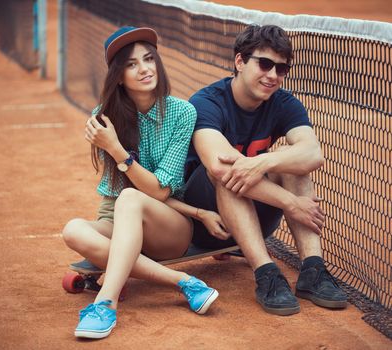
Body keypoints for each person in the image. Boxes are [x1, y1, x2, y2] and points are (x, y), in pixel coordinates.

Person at [62, 26, 227, 339]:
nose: (145, 69)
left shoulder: (182, 113)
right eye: (132, 64)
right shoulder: (104, 117)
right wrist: (110, 143)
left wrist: (116, 149)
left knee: (130, 198)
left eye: (149, 59)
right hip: (122, 218)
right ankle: (184, 283)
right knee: (73, 230)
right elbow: (115, 197)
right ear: (118, 75)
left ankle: (105, 303)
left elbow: (158, 191)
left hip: (168, 225)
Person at [184, 24, 347, 316]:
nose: (273, 75)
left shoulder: (284, 104)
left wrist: (265, 161)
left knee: (293, 163)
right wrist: (291, 203)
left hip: (255, 220)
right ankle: (266, 274)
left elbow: (313, 154)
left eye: (281, 69)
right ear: (239, 61)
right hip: (204, 221)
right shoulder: (206, 102)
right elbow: (221, 168)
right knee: (224, 172)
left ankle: (313, 270)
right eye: (265, 64)